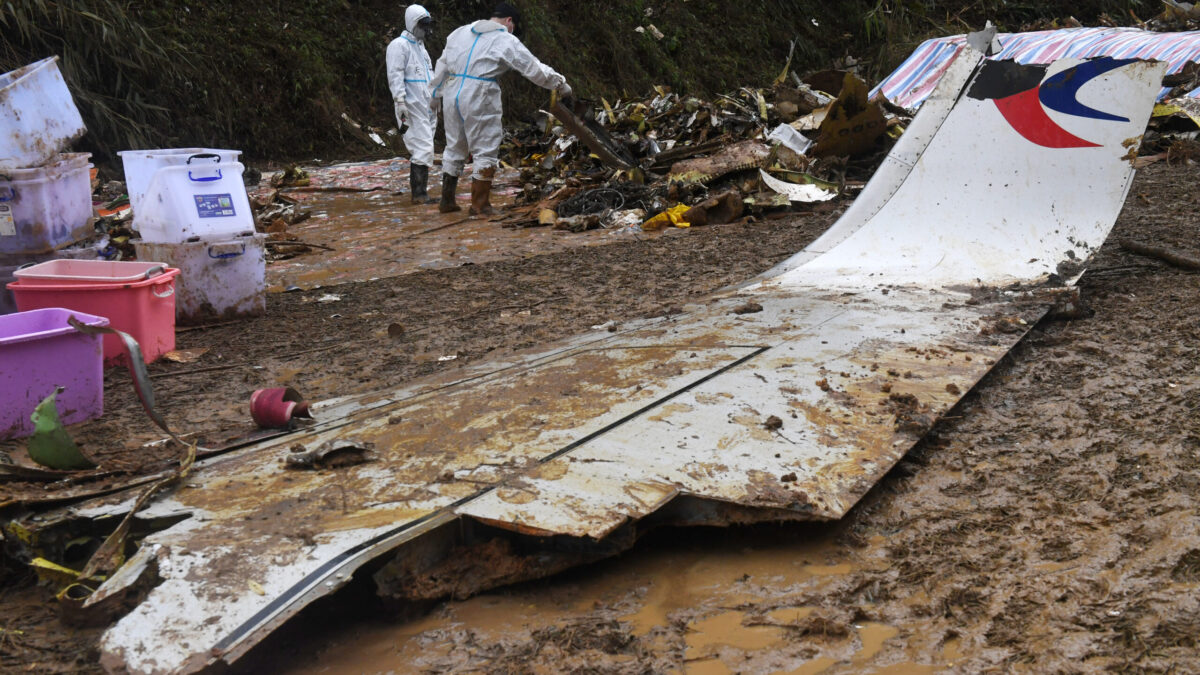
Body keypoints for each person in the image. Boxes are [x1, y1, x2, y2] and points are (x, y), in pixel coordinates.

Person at [429, 2, 572, 215]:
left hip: (452, 91)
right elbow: (533, 68)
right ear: (509, 21)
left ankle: (447, 201)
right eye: (513, 26)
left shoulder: (459, 32)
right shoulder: (504, 39)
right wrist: (560, 83)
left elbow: (441, 65)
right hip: (480, 92)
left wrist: (434, 94)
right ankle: (480, 205)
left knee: (455, 146)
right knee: (485, 147)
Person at [386, 4, 437, 203]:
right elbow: (395, 75)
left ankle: (420, 193)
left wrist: (436, 99)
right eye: (422, 25)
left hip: (426, 106)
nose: (426, 29)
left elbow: (429, 75)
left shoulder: (421, 49)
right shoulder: (399, 46)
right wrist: (399, 101)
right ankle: (419, 195)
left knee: (425, 147)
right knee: (422, 147)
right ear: (412, 23)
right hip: (411, 105)